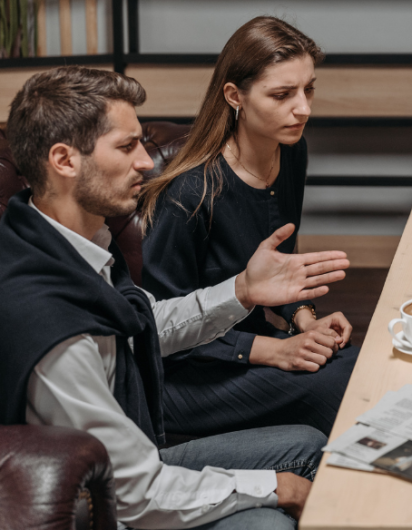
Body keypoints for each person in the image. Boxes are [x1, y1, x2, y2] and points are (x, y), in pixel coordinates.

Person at [0, 67, 351, 528]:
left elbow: (142, 322)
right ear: (65, 160)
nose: (147, 162)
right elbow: (136, 494)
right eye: (127, 147)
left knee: (305, 444)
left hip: (134, 455)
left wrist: (242, 290)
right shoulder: (54, 332)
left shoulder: (59, 241)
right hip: (108, 504)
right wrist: (273, 487)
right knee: (268, 518)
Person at [140, 16, 359, 437]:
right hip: (184, 382)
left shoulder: (290, 150)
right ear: (234, 95)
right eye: (282, 94)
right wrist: (276, 351)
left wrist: (305, 321)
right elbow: (159, 331)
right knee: (344, 382)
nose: (304, 109)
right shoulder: (189, 194)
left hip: (252, 353)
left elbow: (277, 270)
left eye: (308, 88)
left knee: (356, 366)